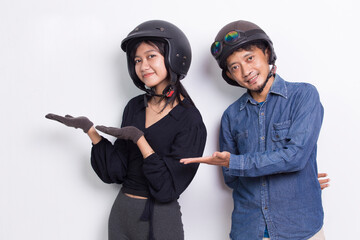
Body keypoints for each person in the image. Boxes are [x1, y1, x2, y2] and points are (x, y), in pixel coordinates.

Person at [46, 20, 207, 240]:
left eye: (151, 56)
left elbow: (167, 188)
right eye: (137, 60)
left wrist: (140, 140)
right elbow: (117, 172)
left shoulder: (190, 120)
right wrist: (91, 131)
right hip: (122, 212)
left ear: (174, 57)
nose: (143, 66)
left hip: (158, 220)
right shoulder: (135, 107)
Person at [181, 20, 327, 240]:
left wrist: (239, 163)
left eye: (250, 58)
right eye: (235, 67)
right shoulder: (231, 116)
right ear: (230, 76)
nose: (246, 71)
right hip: (249, 230)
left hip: (301, 229)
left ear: (266, 53)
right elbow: (231, 179)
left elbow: (295, 157)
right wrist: (286, 179)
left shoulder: (304, 95)